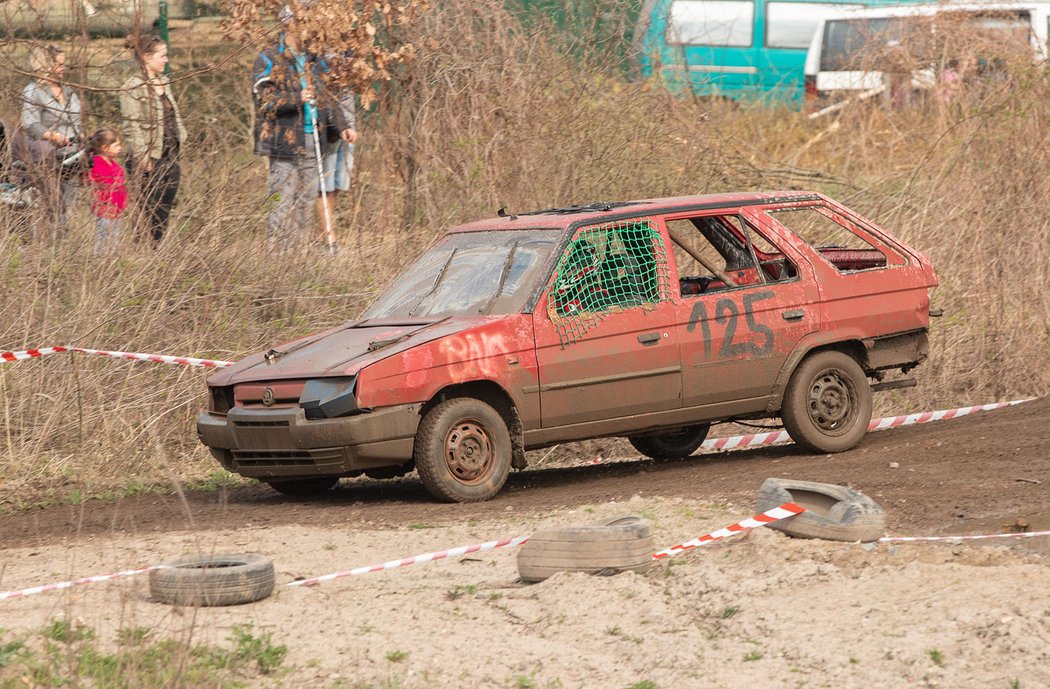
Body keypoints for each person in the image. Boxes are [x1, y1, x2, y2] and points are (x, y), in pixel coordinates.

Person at [253, 24, 349, 250]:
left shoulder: (312, 58)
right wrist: (298, 97)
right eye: (303, 23)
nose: (310, 28)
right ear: (289, 26)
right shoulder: (269, 57)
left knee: (305, 201)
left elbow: (326, 96)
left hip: (313, 138)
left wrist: (341, 126)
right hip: (283, 142)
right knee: (282, 201)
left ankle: (299, 257)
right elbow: (264, 101)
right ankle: (277, 257)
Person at [120, 34, 186, 244]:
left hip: (170, 156)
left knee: (164, 209)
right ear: (147, 57)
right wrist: (143, 158)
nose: (166, 60)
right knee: (147, 211)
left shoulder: (165, 83)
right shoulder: (132, 87)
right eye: (162, 55)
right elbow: (131, 126)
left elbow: (172, 118)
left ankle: (156, 251)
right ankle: (141, 254)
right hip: (149, 159)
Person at [20, 43, 82, 229]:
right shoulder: (33, 91)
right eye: (59, 64)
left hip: (72, 155)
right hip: (48, 157)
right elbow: (30, 124)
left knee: (68, 206)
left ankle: (65, 244)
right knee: (52, 204)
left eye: (64, 64)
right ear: (46, 65)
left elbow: (76, 118)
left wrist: (80, 134)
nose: (63, 68)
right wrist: (54, 136)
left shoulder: (68, 90)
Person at [317, 86, 357, 243]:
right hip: (328, 125)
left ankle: (325, 228)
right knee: (325, 183)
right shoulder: (317, 63)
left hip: (349, 120)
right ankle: (328, 233)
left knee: (340, 181)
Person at [86, 128, 127, 254]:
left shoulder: (115, 165)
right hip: (104, 209)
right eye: (116, 145)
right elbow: (90, 181)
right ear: (105, 147)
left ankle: (110, 262)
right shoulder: (96, 164)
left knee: (114, 238)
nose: (120, 148)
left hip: (116, 211)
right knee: (103, 238)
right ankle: (100, 261)